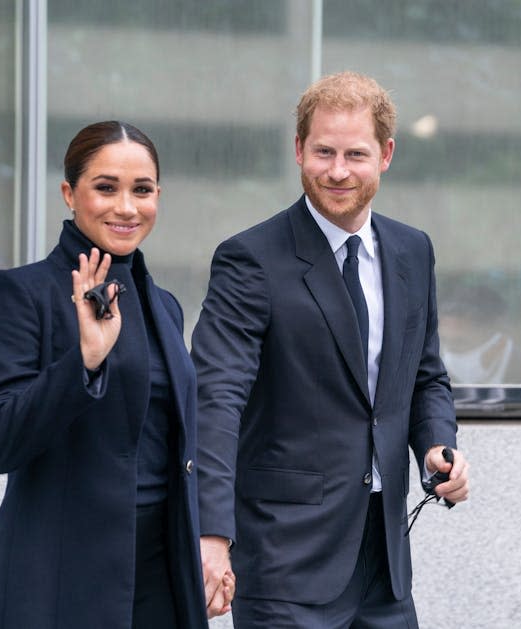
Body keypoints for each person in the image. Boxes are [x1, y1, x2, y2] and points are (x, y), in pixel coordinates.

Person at [192, 72, 470, 628]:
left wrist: (439, 446)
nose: (338, 171)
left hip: (385, 563)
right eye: (323, 151)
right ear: (299, 150)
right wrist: (211, 533)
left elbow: (424, 376)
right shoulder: (250, 259)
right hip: (284, 563)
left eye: (355, 154)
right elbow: (215, 400)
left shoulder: (413, 251)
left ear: (386, 154)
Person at [0, 121, 232, 628]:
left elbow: (180, 445)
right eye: (106, 187)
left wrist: (212, 541)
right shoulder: (20, 295)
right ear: (70, 193)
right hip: (58, 580)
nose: (127, 207)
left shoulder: (165, 306)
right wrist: (83, 363)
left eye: (143, 190)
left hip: (162, 577)